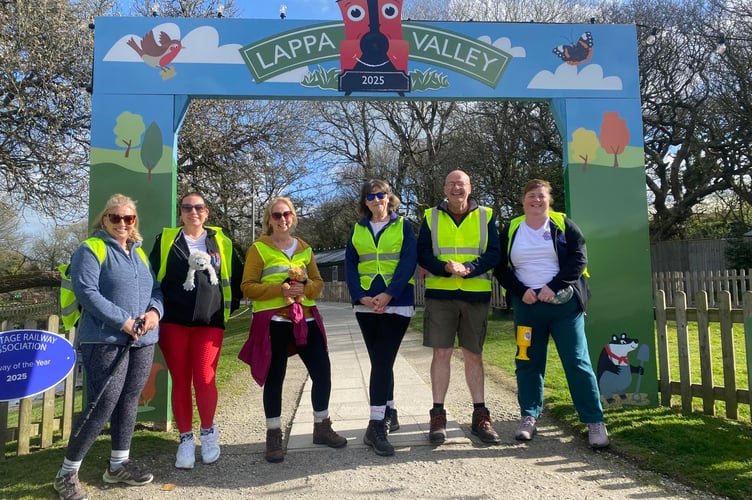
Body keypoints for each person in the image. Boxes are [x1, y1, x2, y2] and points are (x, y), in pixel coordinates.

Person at [54, 194, 163, 500]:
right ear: (103, 220)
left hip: (142, 340)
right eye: (115, 218)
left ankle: (117, 465)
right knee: (102, 404)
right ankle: (66, 474)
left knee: (128, 401)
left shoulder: (140, 253)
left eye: (129, 218)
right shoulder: (91, 249)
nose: (122, 223)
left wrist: (155, 312)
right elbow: (86, 292)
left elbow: (156, 289)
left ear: (135, 222)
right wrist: (124, 321)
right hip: (104, 340)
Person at [493, 179, 609, 448]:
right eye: (531, 196)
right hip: (527, 308)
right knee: (527, 361)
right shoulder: (511, 229)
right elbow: (500, 267)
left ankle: (594, 422)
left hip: (565, 307)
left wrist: (552, 287)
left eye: (542, 196)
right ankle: (528, 417)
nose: (536, 200)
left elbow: (579, 259)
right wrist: (521, 290)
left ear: (549, 200)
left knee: (577, 362)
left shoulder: (563, 225)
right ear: (523, 201)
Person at [238, 196, 347, 463]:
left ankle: (321, 426)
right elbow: (248, 287)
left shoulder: (305, 248)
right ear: (269, 220)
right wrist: (280, 289)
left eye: (286, 214)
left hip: (305, 317)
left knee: (322, 372)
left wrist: (305, 286)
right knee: (275, 377)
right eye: (276, 215)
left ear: (293, 216)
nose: (282, 219)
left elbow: (318, 283)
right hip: (274, 321)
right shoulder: (259, 248)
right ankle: (273, 433)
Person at [149, 192, 245, 469]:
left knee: (204, 378)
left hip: (210, 321)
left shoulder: (221, 242)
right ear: (180, 212)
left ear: (207, 212)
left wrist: (228, 305)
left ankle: (208, 432)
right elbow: (150, 276)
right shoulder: (167, 240)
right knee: (180, 380)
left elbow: (237, 276)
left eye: (199, 207)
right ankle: (186, 439)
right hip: (174, 322)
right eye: (188, 207)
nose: (193, 212)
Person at [416, 170, 501, 445]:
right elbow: (423, 254)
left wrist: (470, 268)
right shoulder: (430, 216)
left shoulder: (487, 215)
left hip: (476, 294)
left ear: (470, 187)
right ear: (444, 188)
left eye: (460, 184)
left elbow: (494, 253)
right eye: (451, 184)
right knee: (441, 353)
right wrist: (444, 267)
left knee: (473, 355)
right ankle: (437, 416)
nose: (456, 188)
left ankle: (480, 416)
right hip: (441, 294)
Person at [345, 180, 417, 456]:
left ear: (390, 198)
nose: (377, 200)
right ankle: (390, 410)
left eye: (381, 195)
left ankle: (375, 425)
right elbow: (350, 265)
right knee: (379, 360)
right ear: (365, 201)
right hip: (365, 303)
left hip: (396, 302)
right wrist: (360, 295)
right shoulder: (357, 229)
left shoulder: (403, 226)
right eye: (371, 196)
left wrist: (388, 295)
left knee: (384, 358)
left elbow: (407, 262)